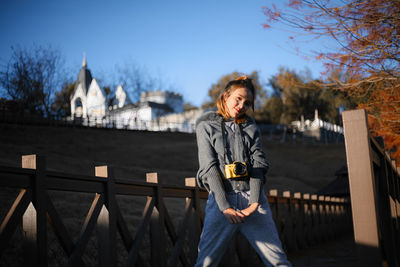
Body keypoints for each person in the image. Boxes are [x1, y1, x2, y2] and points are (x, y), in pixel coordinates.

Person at [195, 76, 291, 266]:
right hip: (222, 202)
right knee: (205, 263)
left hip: (253, 202)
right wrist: (224, 207)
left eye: (247, 103)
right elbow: (209, 167)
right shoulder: (206, 125)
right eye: (237, 99)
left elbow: (259, 165)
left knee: (279, 262)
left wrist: (254, 202)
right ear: (225, 97)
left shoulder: (251, 127)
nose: (241, 105)